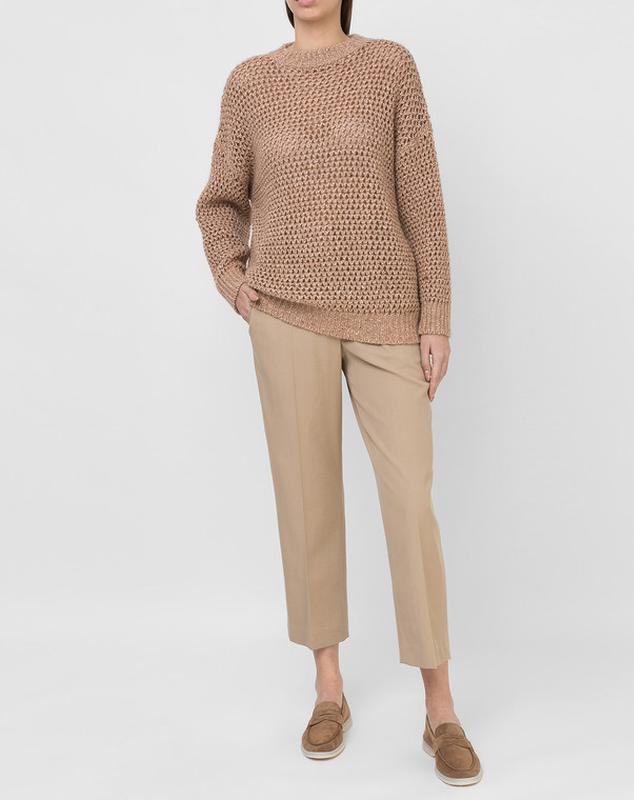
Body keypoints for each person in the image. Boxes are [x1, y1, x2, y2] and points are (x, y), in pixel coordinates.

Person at [195, 0, 482, 786]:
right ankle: (328, 688)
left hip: (386, 310)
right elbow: (220, 201)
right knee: (307, 499)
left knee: (409, 502)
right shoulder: (250, 83)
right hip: (285, 314)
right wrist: (234, 280)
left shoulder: (388, 66)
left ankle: (440, 708)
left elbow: (422, 198)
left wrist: (434, 316)